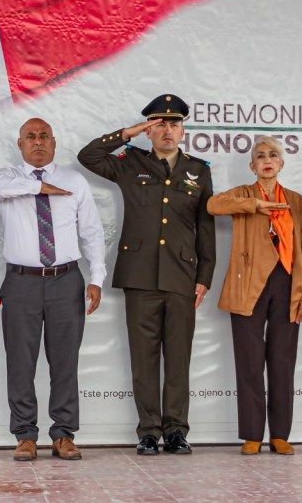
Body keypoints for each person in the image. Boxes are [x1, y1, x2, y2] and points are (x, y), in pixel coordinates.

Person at [77, 93, 216, 455]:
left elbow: (205, 226)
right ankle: (149, 431)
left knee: (179, 358)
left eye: (174, 124)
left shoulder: (199, 170)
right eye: (159, 124)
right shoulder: (129, 162)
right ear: (149, 131)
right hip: (140, 275)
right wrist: (128, 132)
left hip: (182, 276)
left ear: (183, 131)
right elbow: (88, 156)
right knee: (144, 358)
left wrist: (205, 275)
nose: (167, 130)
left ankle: (176, 430)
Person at [0, 118, 106, 462]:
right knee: (20, 362)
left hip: (66, 280)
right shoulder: (7, 178)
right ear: (20, 144)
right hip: (20, 282)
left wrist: (96, 277)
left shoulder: (74, 181)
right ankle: (25, 435)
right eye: (30, 137)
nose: (38, 142)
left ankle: (63, 434)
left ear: (54, 141)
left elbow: (92, 232)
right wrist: (38, 188)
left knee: (65, 361)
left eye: (44, 136)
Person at [207, 136, 302, 456]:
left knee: (282, 361)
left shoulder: (295, 200)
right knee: (249, 361)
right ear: (252, 166)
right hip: (248, 285)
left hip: (287, 283)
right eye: (260, 156)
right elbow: (213, 205)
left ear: (281, 164)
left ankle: (280, 435)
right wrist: (255, 205)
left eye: (273, 155)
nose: (267, 160)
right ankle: (253, 434)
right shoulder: (243, 193)